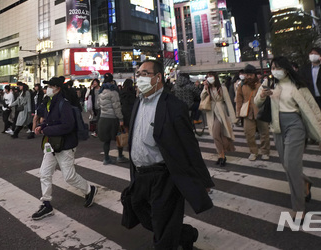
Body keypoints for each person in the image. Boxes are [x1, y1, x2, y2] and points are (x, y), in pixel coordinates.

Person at [124, 60, 213, 249]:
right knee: (139, 210)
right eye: (138, 74)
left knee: (163, 228)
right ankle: (185, 234)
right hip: (140, 175)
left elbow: (189, 145)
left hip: (164, 176)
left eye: (144, 74)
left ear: (157, 78)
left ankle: (170, 239)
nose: (139, 78)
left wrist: (203, 179)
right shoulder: (138, 102)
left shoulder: (173, 106)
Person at [255, 57, 321, 213]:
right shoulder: (269, 83)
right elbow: (257, 102)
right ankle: (305, 182)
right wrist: (263, 95)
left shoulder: (298, 85)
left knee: (291, 164)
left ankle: (298, 207)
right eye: (272, 67)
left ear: (286, 69)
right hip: (277, 126)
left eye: (278, 67)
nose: (275, 70)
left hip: (295, 125)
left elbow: (313, 109)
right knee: (287, 165)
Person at [32, 76, 97, 220]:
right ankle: (46, 203)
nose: (46, 89)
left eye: (49, 86)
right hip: (51, 144)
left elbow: (67, 126)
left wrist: (46, 130)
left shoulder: (64, 104)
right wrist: (41, 126)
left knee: (69, 176)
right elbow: (50, 122)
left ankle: (89, 189)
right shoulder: (49, 101)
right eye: (46, 86)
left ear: (57, 89)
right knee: (44, 173)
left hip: (65, 145)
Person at [235, 65, 270, 161]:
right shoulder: (241, 85)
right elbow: (238, 99)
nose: (249, 77)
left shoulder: (262, 84)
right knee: (248, 133)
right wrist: (238, 112)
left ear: (254, 75)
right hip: (248, 112)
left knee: (264, 133)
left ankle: (265, 151)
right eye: (247, 74)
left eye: (251, 75)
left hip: (261, 111)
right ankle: (253, 151)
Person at [201, 71, 236, 166]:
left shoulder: (222, 88)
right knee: (219, 135)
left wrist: (233, 118)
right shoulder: (208, 88)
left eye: (211, 76)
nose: (209, 78)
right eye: (207, 76)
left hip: (221, 113)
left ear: (215, 77)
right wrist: (205, 88)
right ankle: (221, 155)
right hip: (211, 113)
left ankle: (222, 155)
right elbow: (202, 97)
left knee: (216, 134)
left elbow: (228, 102)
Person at [96, 73, 126, 164]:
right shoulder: (114, 92)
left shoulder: (100, 93)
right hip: (113, 119)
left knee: (106, 140)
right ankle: (120, 156)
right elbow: (117, 107)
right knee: (119, 137)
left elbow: (98, 105)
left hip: (103, 118)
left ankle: (106, 158)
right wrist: (121, 118)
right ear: (112, 81)